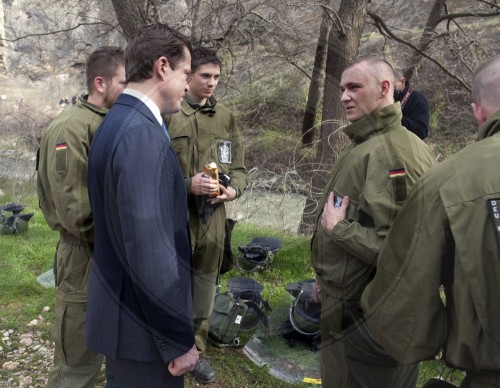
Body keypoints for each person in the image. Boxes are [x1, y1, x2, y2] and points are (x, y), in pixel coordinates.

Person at [361, 55, 500, 388]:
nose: (344, 97)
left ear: (477, 111)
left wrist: (433, 341)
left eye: (354, 87)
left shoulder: (448, 177)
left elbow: (401, 288)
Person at [310, 58, 437, 388]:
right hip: (348, 305)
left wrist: (339, 230)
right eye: (341, 89)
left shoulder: (391, 154)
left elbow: (403, 250)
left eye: (354, 87)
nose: (343, 97)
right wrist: (329, 274)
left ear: (385, 88)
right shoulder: (368, 145)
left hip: (365, 318)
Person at [86, 23, 198, 387]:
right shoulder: (141, 135)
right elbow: (151, 250)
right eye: (186, 73)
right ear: (162, 68)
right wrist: (177, 341)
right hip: (143, 331)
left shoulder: (115, 122)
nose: (188, 84)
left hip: (125, 320)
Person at [37, 46, 125, 388]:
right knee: (77, 358)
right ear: (100, 83)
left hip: (110, 252)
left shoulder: (105, 121)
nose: (130, 87)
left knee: (103, 347)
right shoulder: (71, 129)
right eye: (123, 81)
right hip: (85, 257)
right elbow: (76, 213)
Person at [165, 47, 248, 384]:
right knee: (171, 285)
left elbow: (239, 169)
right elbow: (152, 172)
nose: (212, 83)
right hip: (176, 216)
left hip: (213, 218)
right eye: (205, 76)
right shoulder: (169, 112)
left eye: (216, 77)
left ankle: (195, 350)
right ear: (189, 76)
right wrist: (187, 185)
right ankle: (169, 347)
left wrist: (233, 191)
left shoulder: (226, 117)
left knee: (205, 286)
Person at [394, 68, 430, 139]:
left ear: (403, 82)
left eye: (393, 86)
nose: (390, 90)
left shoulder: (418, 99)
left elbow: (422, 132)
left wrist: (396, 116)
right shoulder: (386, 99)